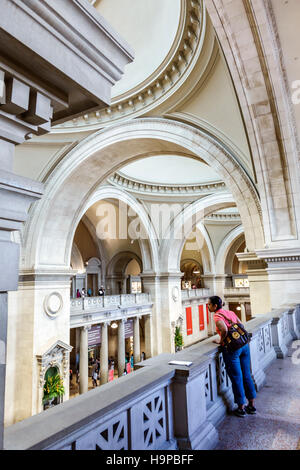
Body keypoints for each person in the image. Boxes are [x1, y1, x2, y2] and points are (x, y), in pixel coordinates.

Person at [207, 295, 257, 418]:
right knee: (247, 374)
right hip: (244, 346)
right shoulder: (230, 312)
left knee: (237, 377)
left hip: (233, 349)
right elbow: (241, 325)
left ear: (214, 306)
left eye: (209, 304)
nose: (207, 306)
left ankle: (241, 407)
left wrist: (220, 341)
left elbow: (223, 330)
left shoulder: (217, 316)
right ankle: (251, 405)